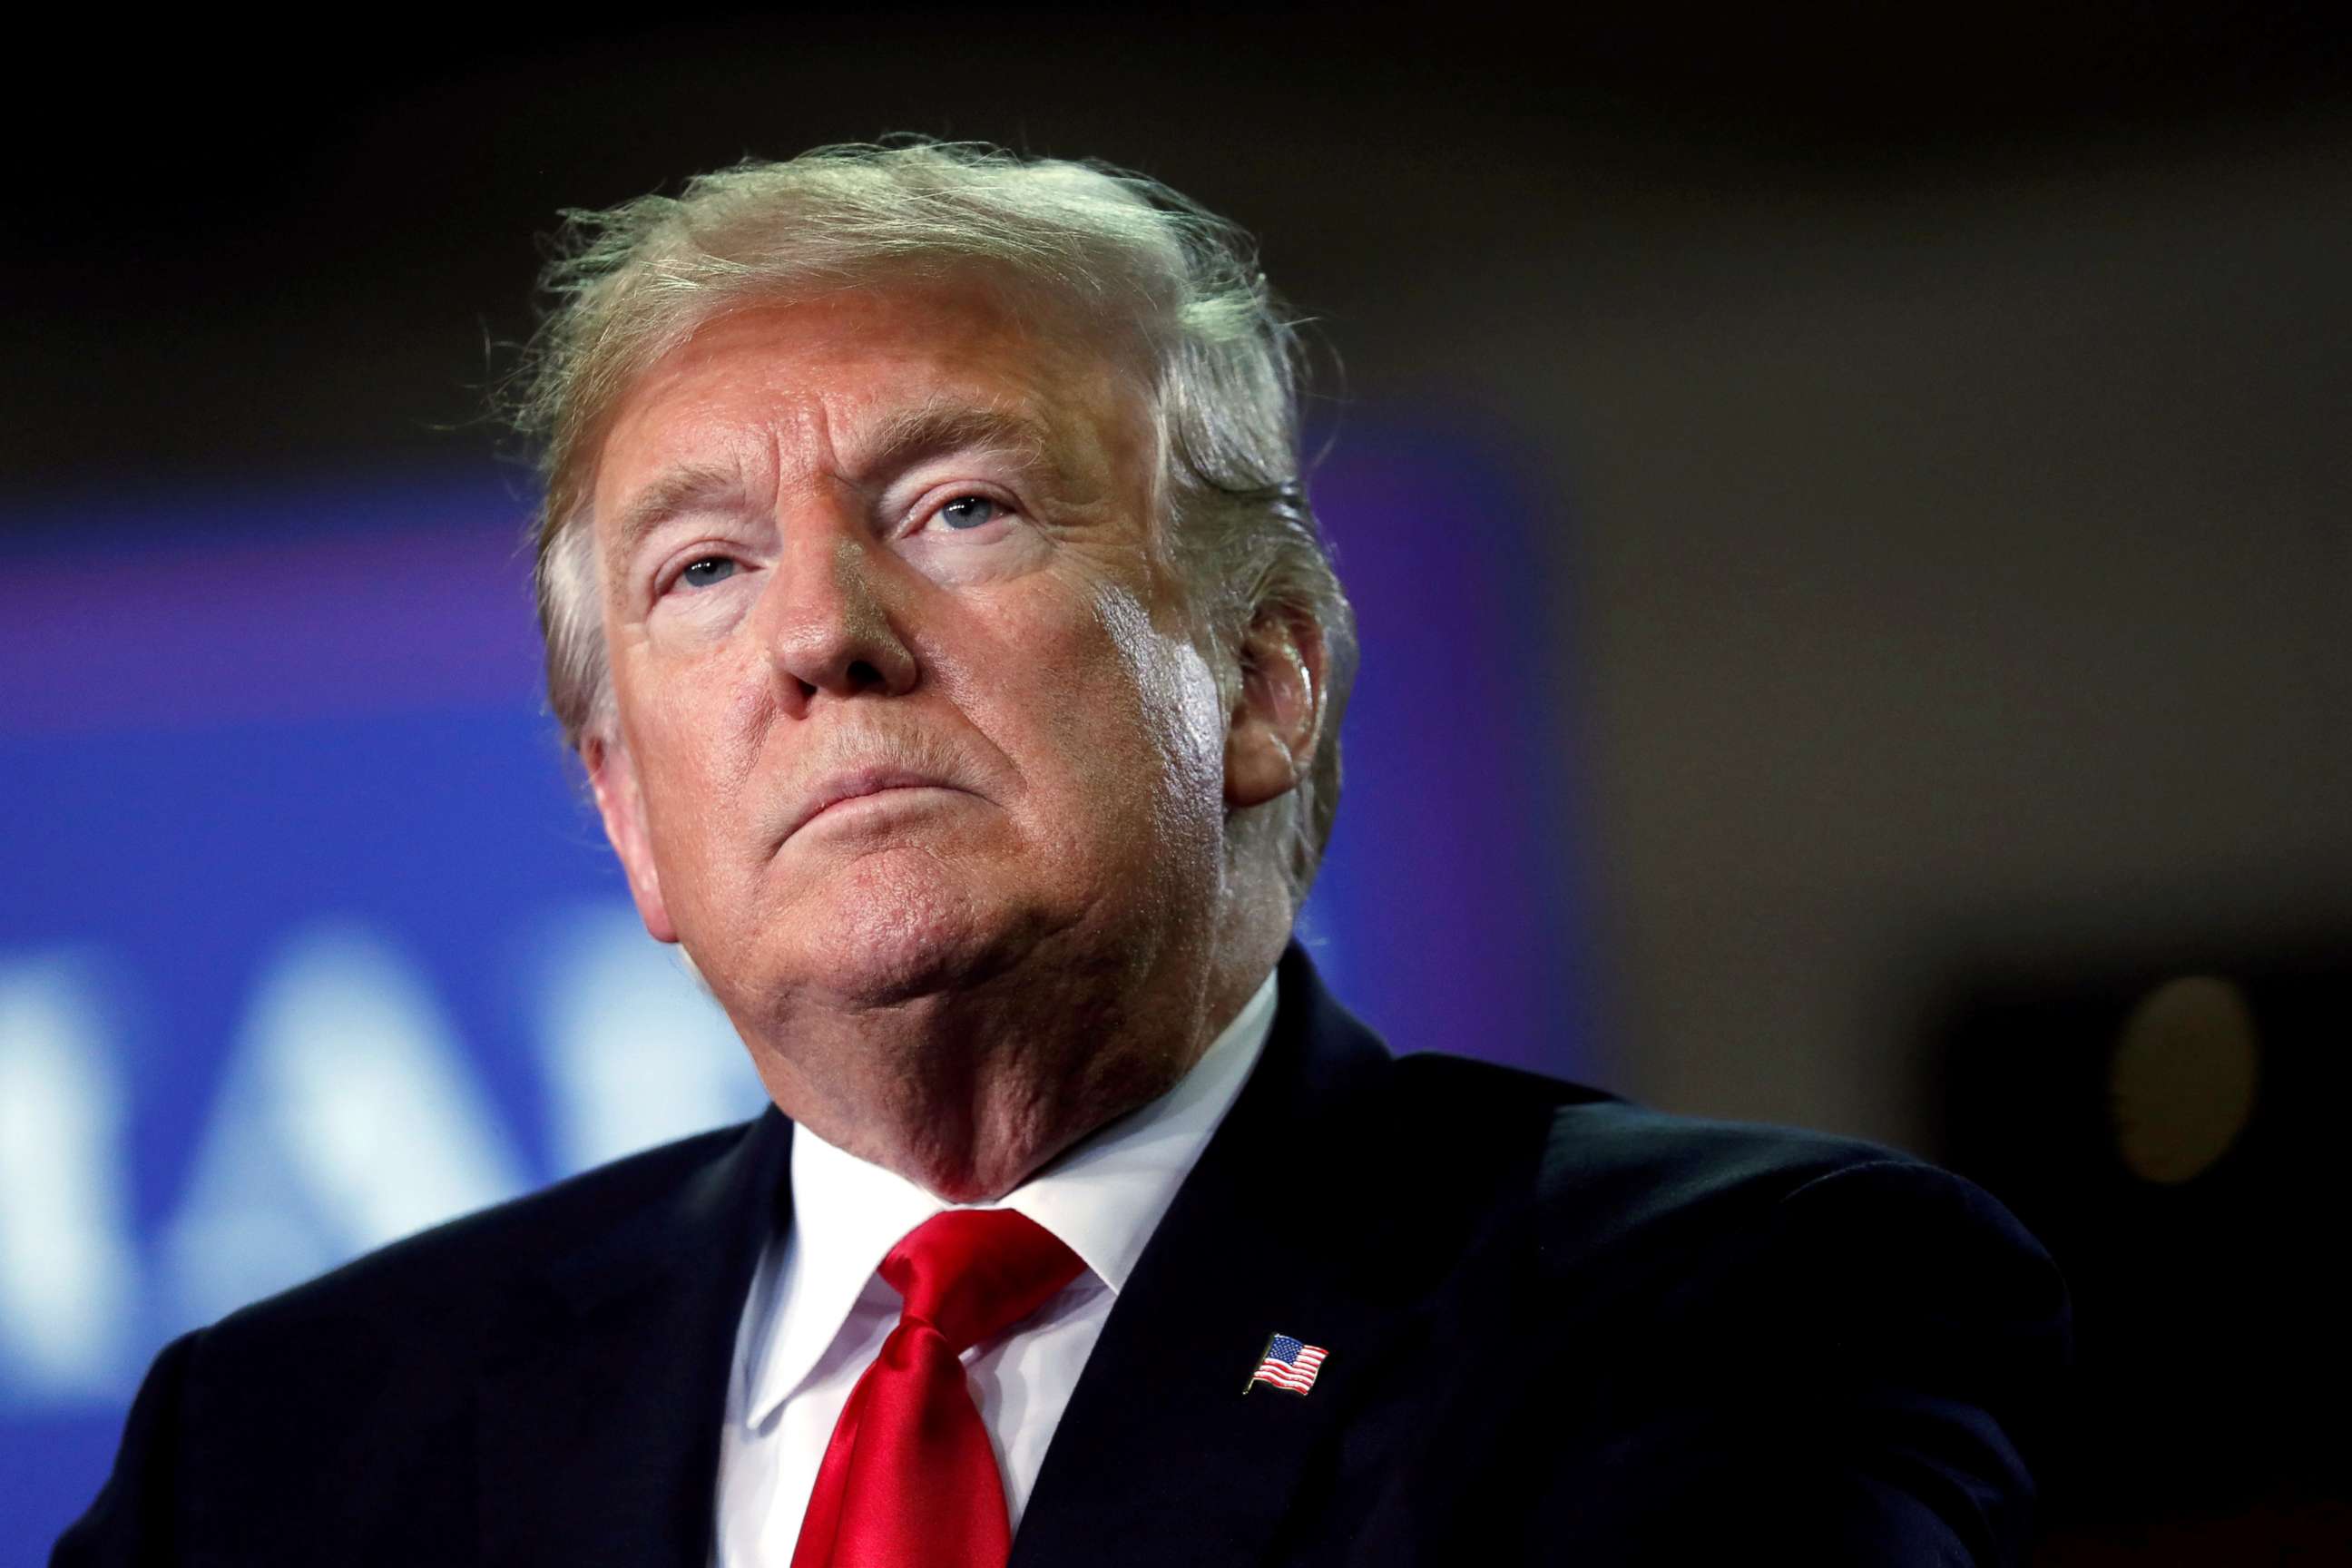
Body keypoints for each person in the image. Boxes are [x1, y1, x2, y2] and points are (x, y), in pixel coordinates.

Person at [54, 141, 2067, 1567]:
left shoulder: (1729, 1305)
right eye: (703, 566)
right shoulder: (282, 1449)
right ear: (629, 817)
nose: (821, 636)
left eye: (963, 508)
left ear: (1266, 680)